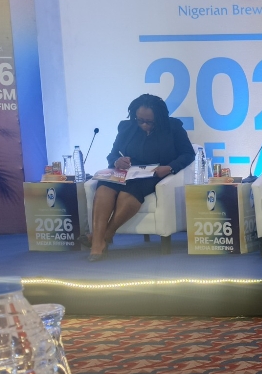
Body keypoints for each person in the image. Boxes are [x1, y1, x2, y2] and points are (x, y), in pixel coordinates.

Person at [83, 94, 195, 262]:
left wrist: (170, 167)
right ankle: (98, 242)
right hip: (127, 172)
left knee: (129, 192)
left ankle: (104, 236)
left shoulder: (173, 127)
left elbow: (188, 154)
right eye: (140, 120)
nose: (144, 125)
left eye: (149, 122)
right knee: (104, 186)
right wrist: (117, 161)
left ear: (159, 117)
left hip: (154, 174)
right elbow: (112, 154)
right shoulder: (126, 127)